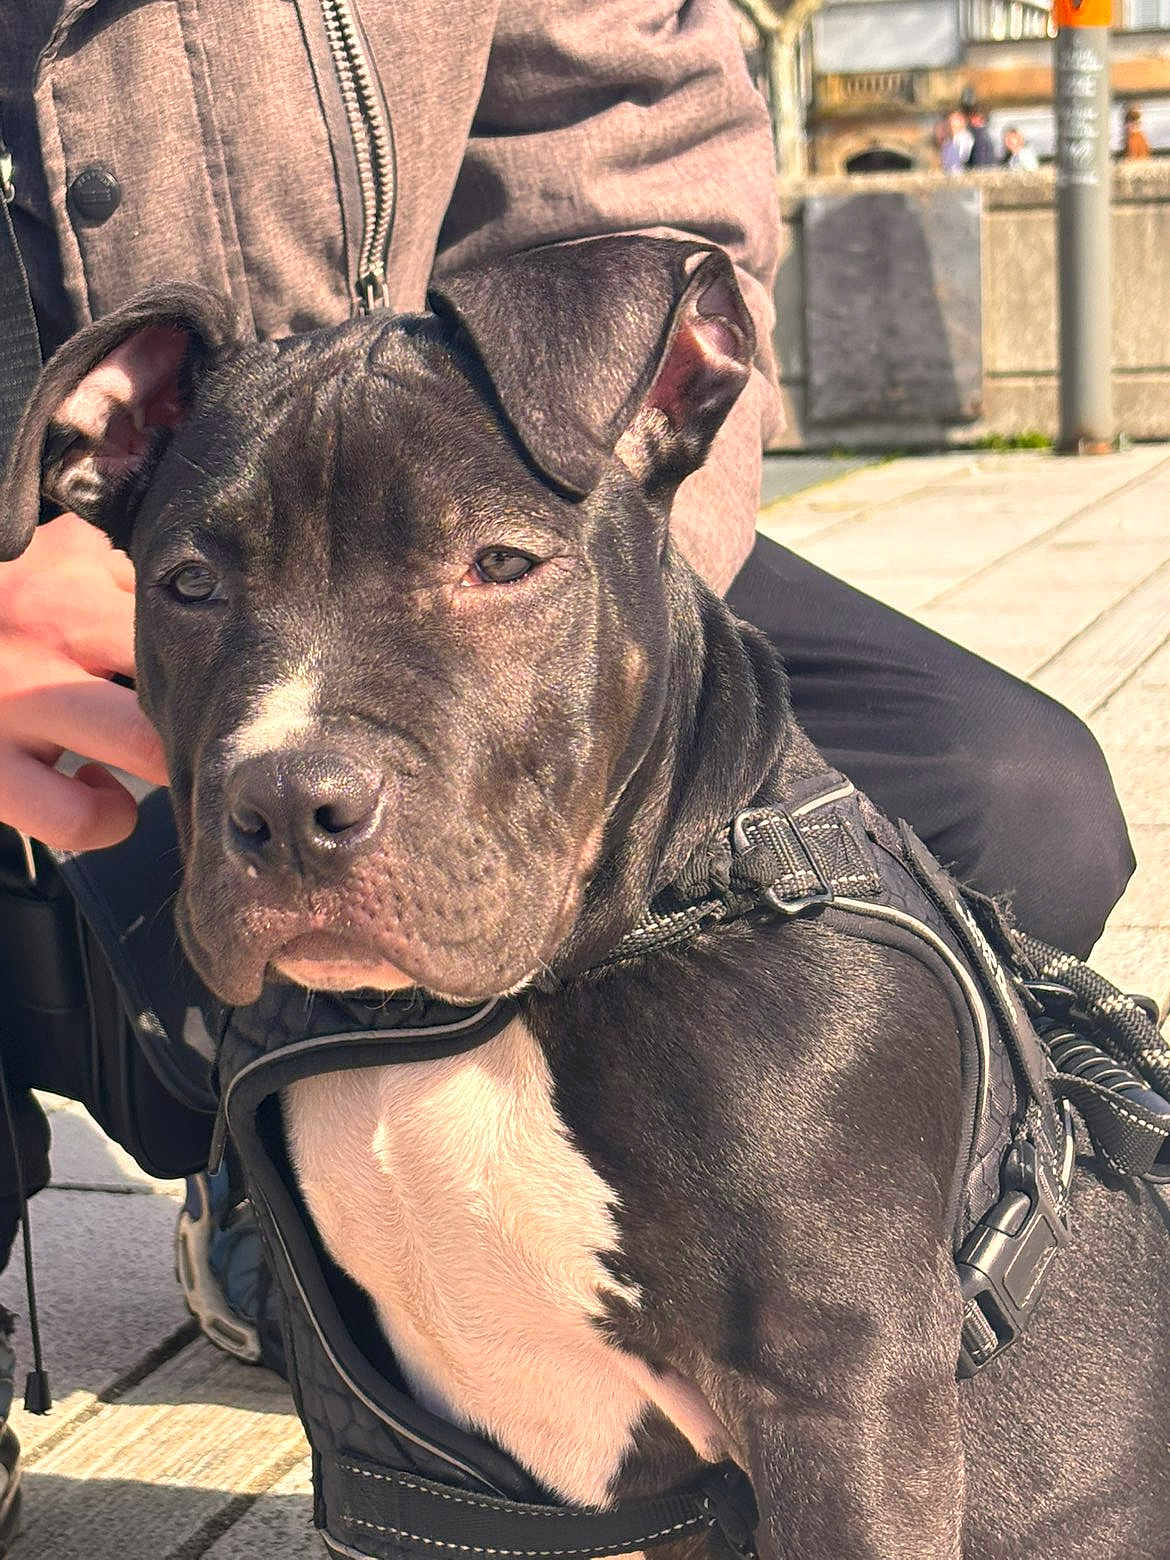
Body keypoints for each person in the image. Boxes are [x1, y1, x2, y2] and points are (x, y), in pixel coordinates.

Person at [0, 0, 1136, 1540]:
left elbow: (634, 142)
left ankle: (635, 1225)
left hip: (493, 426)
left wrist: (588, 521)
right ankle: (341, 1203)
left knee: (1010, 791)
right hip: (105, 571)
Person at [941, 108, 973, 174]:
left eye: (954, 120)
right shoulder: (947, 142)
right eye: (950, 120)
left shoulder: (967, 139)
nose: (951, 123)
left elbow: (965, 160)